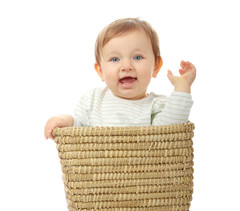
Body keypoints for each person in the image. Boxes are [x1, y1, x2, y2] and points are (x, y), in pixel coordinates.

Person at [44, 17, 196, 141]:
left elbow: (169, 132)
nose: (126, 66)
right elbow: (77, 127)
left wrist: (182, 89)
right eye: (115, 59)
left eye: (137, 57)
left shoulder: (158, 106)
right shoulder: (92, 100)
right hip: (97, 175)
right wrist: (64, 120)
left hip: (145, 176)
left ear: (155, 66)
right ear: (100, 71)